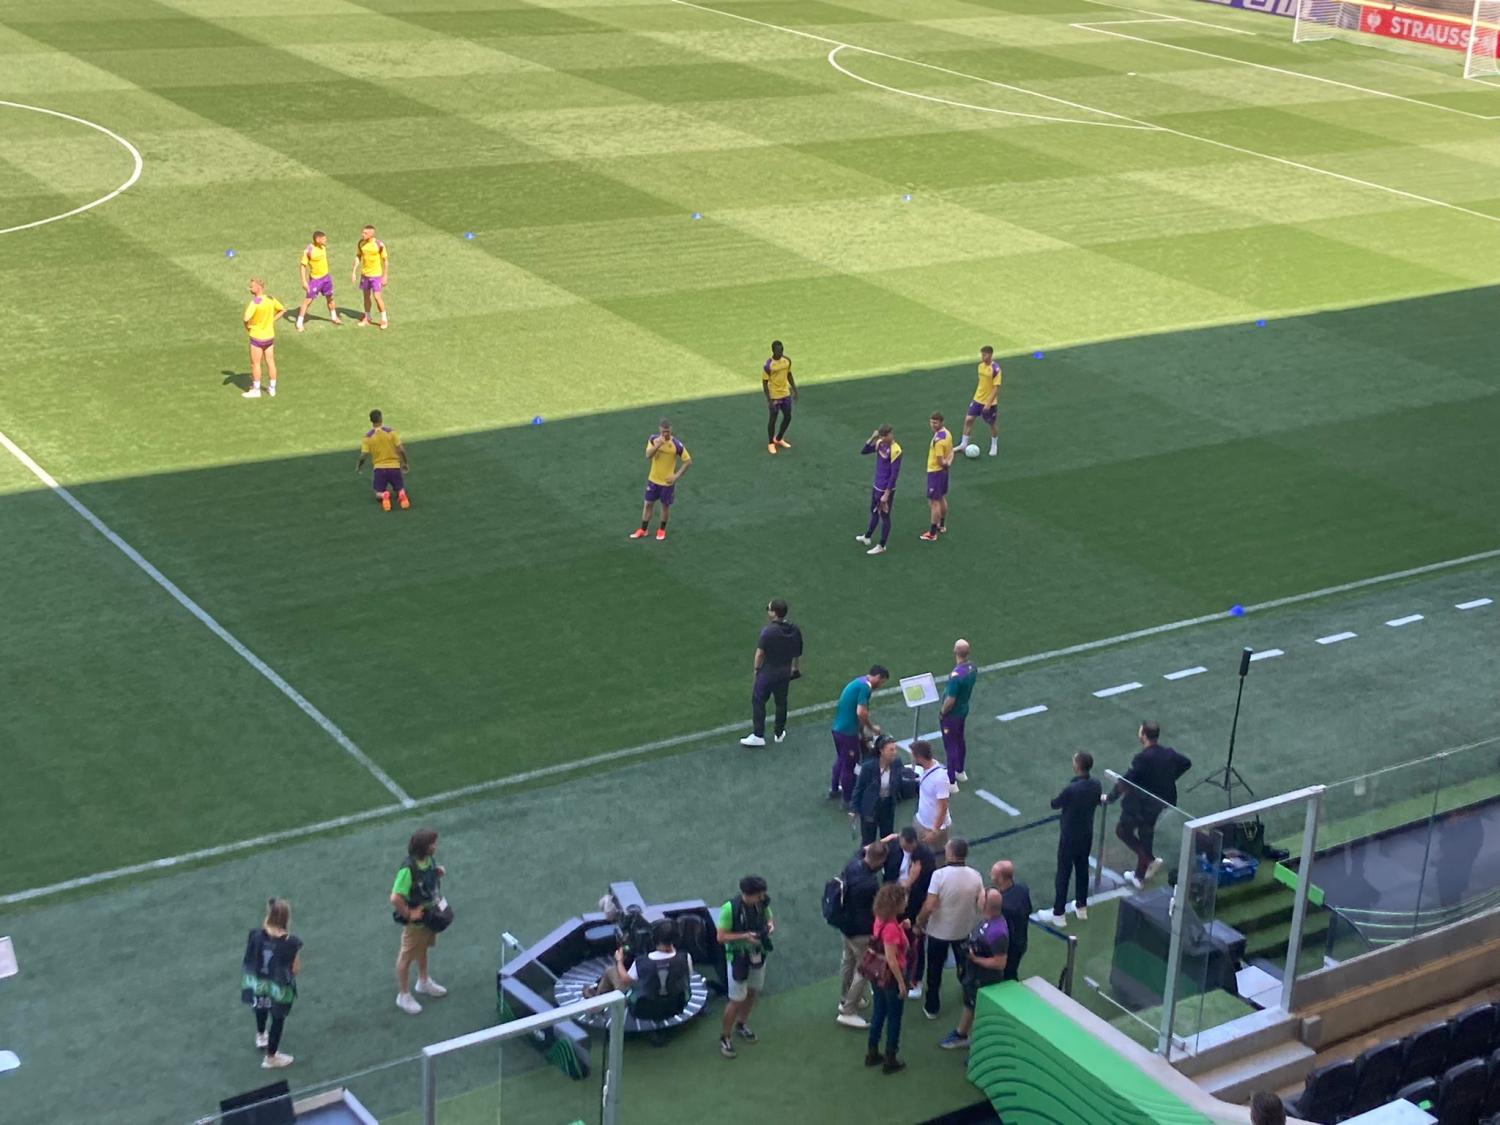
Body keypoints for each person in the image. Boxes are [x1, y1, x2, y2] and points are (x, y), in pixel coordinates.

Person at [1103, 721, 1192, 888]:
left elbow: (1127, 780)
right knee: (1146, 832)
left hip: (1142, 804)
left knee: (1123, 830)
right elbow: (1186, 763)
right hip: (1162, 802)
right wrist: (1169, 779)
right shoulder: (1168, 753)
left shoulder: (1142, 758)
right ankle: (1140, 874)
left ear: (1143, 735)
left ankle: (1148, 859)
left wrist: (1110, 797)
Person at [915, 838, 984, 1021]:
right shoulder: (975, 876)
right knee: (965, 967)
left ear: (951, 854)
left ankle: (932, 1006)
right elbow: (981, 904)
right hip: (963, 930)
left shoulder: (939, 876)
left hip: (938, 932)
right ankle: (969, 997)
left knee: (934, 970)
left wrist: (919, 922)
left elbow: (929, 905)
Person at [584, 919, 693, 1021]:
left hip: (643, 1010)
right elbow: (687, 977)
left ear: (654, 938)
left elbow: (625, 980)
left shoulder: (642, 962)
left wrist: (619, 961)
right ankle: (599, 998)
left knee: (610, 971)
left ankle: (595, 1006)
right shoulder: (685, 957)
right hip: (676, 1006)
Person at [941, 889, 1008, 1051]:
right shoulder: (988, 921)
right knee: (970, 1004)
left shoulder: (997, 932)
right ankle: (961, 1034)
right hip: (975, 975)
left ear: (985, 905)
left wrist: (975, 959)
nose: (978, 897)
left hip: (984, 979)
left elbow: (1000, 963)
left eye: (982, 896)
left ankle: (980, 1047)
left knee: (981, 1011)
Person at [390, 828, 447, 1015]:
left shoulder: (428, 861)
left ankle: (423, 981)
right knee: (406, 957)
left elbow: (424, 882)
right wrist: (408, 913)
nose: (435, 846)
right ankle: (403, 995)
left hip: (429, 916)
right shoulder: (408, 869)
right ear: (424, 847)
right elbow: (395, 897)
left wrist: (436, 873)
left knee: (422, 948)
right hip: (416, 923)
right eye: (433, 843)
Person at [240, 897, 302, 1069]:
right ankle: (271, 1057)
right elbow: (295, 968)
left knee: (260, 1006)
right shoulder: (291, 942)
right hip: (278, 986)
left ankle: (261, 1035)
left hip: (258, 981)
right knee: (277, 1018)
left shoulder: (255, 935)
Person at [1042, 752, 1102, 928]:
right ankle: (1081, 906)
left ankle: (1058, 912)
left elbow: (1055, 803)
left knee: (1063, 873)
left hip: (1069, 837)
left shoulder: (1072, 789)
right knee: (1082, 869)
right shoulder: (1095, 784)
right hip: (1086, 834)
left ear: (1077, 766)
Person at [716, 875, 773, 1058]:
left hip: (758, 954)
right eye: (758, 895)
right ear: (747, 894)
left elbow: (769, 918)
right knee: (736, 1000)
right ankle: (725, 1037)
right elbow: (721, 937)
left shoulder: (762, 903)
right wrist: (745, 936)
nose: (761, 898)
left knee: (752, 992)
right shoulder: (729, 909)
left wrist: (769, 926)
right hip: (738, 958)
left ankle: (741, 1024)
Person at [836, 840, 888, 1028]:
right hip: (862, 932)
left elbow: (862, 851)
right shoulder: (870, 884)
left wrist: (881, 843)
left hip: (846, 926)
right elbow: (879, 907)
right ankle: (848, 1010)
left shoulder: (852, 865)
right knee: (863, 970)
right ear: (880, 861)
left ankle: (845, 998)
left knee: (848, 961)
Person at [740, 598, 803, 747]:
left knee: (758, 700)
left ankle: (758, 735)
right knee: (781, 703)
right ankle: (779, 733)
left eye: (768, 609)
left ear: (774, 613)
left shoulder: (768, 632)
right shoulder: (794, 629)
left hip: (767, 673)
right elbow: (797, 652)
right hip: (784, 673)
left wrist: (756, 670)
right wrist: (795, 669)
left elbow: (759, 654)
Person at [865, 882, 911, 1075]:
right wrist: (901, 984)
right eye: (904, 900)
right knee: (894, 1018)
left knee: (878, 1012)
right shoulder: (891, 928)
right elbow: (892, 959)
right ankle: (890, 1058)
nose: (906, 903)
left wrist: (901, 927)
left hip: (877, 975)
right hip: (890, 977)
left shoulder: (880, 920)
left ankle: (872, 1052)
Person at [830, 665, 888, 805]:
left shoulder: (858, 681)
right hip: (848, 733)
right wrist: (872, 728)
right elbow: (861, 713)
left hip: (838, 729)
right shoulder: (865, 688)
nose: (880, 685)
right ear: (877, 677)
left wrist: (861, 733)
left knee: (841, 759)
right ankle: (848, 799)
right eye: (882, 682)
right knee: (849, 766)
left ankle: (834, 789)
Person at [630, 419, 691, 541]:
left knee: (664, 507)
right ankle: (643, 529)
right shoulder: (653, 439)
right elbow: (648, 455)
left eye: (667, 431)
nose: (665, 434)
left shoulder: (676, 445)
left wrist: (676, 476)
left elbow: (688, 461)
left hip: (667, 483)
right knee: (648, 504)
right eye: (663, 431)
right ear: (660, 430)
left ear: (671, 430)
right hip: (653, 480)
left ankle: (661, 530)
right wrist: (658, 445)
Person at [898, 827, 938, 999]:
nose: (902, 848)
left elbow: (926, 889)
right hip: (900, 905)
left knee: (916, 945)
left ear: (912, 842)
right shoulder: (898, 850)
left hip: (915, 907)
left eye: (905, 846)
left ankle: (915, 980)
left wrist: (920, 918)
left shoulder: (925, 858)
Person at [856, 425, 902, 556]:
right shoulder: (880, 443)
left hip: (885, 489)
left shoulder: (896, 450)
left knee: (885, 516)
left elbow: (894, 474)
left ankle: (882, 545)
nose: (884, 438)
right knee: (874, 511)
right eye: (882, 436)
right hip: (877, 485)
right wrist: (872, 437)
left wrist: (887, 494)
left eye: (886, 435)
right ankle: (867, 536)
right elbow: (864, 451)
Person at [356, 409, 411, 511]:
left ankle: (384, 495)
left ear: (371, 420)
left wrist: (359, 466)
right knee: (400, 488)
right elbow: (401, 450)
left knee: (378, 493)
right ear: (381, 418)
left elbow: (363, 455)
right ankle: (401, 494)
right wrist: (405, 463)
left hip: (379, 469)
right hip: (394, 467)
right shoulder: (391, 432)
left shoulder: (367, 437)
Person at [850, 736, 901, 845]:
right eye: (891, 750)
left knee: (888, 839)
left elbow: (900, 783)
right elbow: (859, 788)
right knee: (868, 841)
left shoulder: (896, 764)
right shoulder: (868, 767)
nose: (894, 752)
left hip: (887, 807)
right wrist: (854, 809)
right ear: (881, 751)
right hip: (870, 808)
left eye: (895, 749)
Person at [940, 639, 977, 785]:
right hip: (963, 710)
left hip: (952, 715)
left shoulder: (955, 676)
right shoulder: (972, 668)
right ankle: (960, 771)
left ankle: (951, 781)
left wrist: (943, 712)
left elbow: (950, 699)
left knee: (950, 745)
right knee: (960, 740)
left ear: (955, 651)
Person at [241, 278, 284, 399]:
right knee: (271, 362)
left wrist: (248, 327)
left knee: (255, 364)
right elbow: (282, 310)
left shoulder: (255, 302)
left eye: (252, 287)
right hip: (269, 336)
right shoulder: (270, 299)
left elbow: (245, 318)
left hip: (257, 337)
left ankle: (256, 390)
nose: (250, 289)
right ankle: (272, 388)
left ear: (258, 287)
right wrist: (271, 321)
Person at [990, 860, 1032, 981]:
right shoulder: (1022, 889)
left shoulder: (1002, 904)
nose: (991, 876)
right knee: (1011, 971)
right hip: (1021, 941)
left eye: (993, 874)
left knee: (1007, 975)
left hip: (1010, 947)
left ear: (1000, 878)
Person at [910, 739, 953, 851]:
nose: (912, 758)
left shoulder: (940, 778)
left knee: (937, 857)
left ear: (919, 757)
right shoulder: (924, 770)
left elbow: (943, 807)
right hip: (920, 820)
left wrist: (934, 831)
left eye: (913, 755)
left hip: (933, 828)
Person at [960, 346, 1001, 457]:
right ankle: (963, 444)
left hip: (989, 403)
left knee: (991, 424)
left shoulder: (995, 369)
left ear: (990, 355)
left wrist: (988, 403)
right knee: (968, 419)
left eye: (984, 355)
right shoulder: (980, 366)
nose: (982, 357)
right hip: (977, 399)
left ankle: (994, 445)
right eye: (982, 355)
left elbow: (996, 388)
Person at [919, 412, 954, 542]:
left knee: (934, 502)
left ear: (941, 422)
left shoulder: (938, 441)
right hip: (943, 473)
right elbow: (951, 452)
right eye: (931, 422)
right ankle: (942, 525)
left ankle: (932, 533)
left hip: (935, 472)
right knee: (941, 498)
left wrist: (945, 464)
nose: (933, 425)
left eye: (935, 422)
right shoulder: (947, 433)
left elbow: (940, 461)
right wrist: (948, 464)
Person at [295, 231, 338, 331]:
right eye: (323, 239)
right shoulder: (309, 250)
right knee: (308, 301)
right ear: (318, 239)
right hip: (316, 280)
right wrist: (304, 281)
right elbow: (303, 266)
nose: (325, 240)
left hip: (326, 278)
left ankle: (334, 317)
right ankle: (299, 323)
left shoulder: (323, 247)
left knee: (330, 297)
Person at [761, 340, 797, 454]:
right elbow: (764, 383)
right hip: (774, 396)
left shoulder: (787, 361)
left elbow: (789, 375)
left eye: (782, 350)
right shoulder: (768, 365)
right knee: (773, 419)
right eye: (778, 351)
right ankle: (771, 443)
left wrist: (794, 389)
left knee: (788, 417)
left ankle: (779, 438)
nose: (780, 352)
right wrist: (769, 400)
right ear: (773, 351)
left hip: (785, 394)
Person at [352, 224, 388, 329]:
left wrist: (385, 276)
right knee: (366, 297)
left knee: (377, 297)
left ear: (372, 234)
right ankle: (367, 317)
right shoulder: (361, 243)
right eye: (363, 232)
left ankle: (384, 319)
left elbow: (385, 261)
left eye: (365, 233)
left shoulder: (379, 245)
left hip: (376, 275)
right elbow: (358, 256)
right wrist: (354, 271)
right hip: (365, 275)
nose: (362, 234)